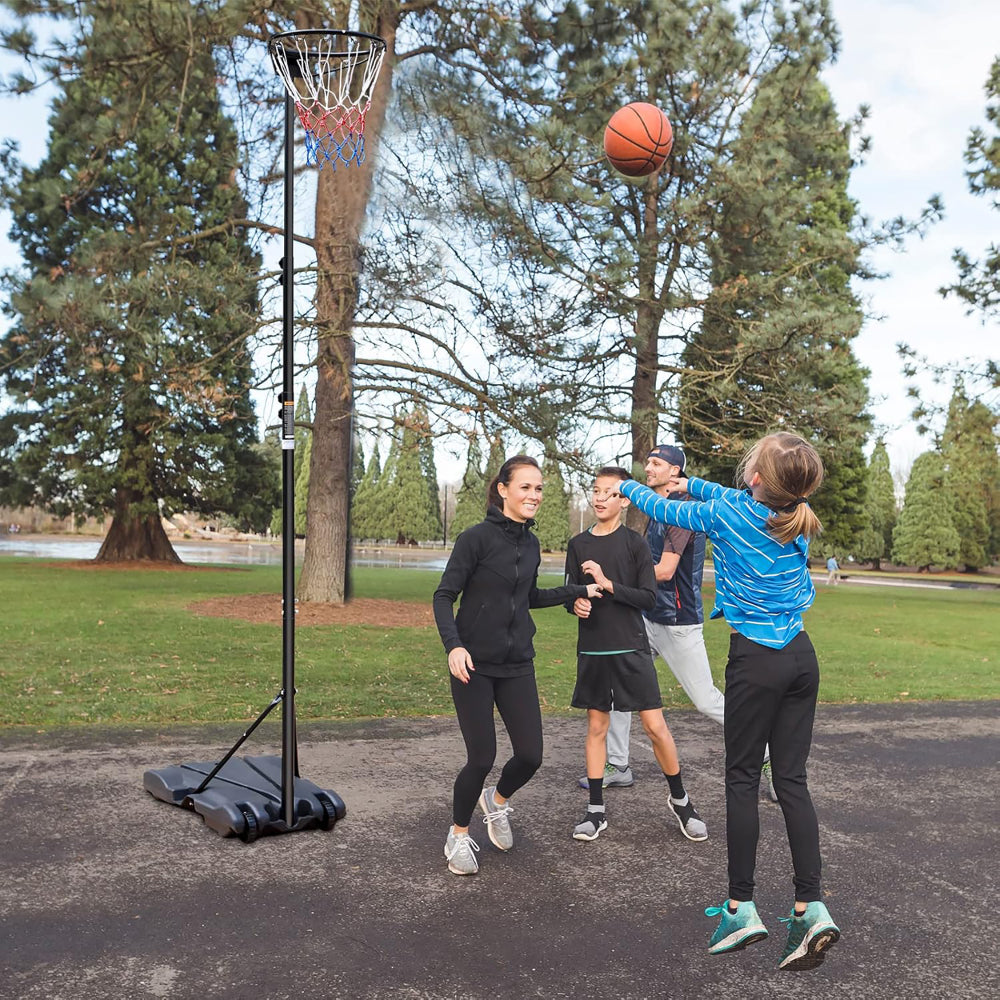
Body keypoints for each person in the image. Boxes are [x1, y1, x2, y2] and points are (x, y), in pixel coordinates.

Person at [619, 432, 840, 972]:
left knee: (742, 778)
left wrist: (627, 484)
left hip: (757, 662)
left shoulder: (725, 517)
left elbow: (655, 504)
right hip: (800, 658)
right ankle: (810, 907)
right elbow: (722, 493)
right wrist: (686, 480)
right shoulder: (793, 511)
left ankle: (742, 909)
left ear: (760, 477)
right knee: (791, 782)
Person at [579, 445, 778, 803]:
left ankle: (766, 751)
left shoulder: (682, 513)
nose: (648, 467)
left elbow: (665, 571)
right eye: (649, 462)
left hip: (677, 622)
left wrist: (613, 579)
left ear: (675, 472)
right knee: (615, 690)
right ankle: (618, 764)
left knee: (705, 700)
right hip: (647, 618)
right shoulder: (658, 511)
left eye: (656, 464)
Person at [433, 455, 600, 876]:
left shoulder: (529, 544)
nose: (534, 495)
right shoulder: (475, 539)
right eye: (525, 487)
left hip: (517, 663)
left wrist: (576, 591)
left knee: (530, 755)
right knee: (481, 757)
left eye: (539, 488)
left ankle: (498, 802)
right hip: (473, 664)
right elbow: (443, 596)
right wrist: (454, 646)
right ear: (503, 489)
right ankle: (457, 835)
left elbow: (527, 598)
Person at [565, 466, 708, 843]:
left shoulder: (634, 543)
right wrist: (576, 602)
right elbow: (571, 592)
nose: (598, 498)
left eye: (608, 492)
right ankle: (595, 812)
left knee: (655, 727)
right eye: (595, 491)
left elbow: (646, 597)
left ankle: (681, 801)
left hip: (631, 646)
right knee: (597, 728)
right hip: (594, 649)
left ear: (624, 499)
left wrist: (609, 584)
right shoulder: (578, 544)